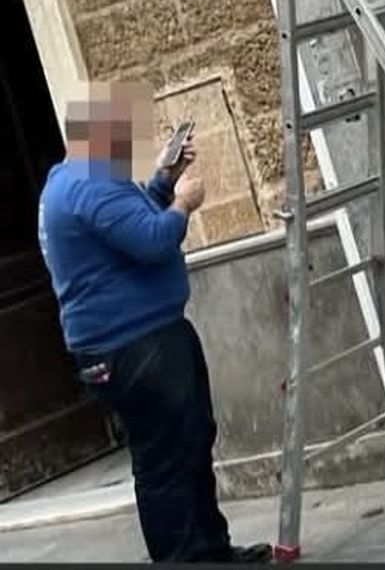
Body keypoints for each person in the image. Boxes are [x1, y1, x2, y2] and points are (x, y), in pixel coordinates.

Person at [37, 81, 270, 564]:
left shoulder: (74, 179)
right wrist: (183, 203)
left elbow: (128, 219)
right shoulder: (90, 182)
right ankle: (188, 558)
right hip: (136, 345)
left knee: (186, 442)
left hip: (136, 340)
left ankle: (210, 550)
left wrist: (164, 181)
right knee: (167, 458)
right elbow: (150, 240)